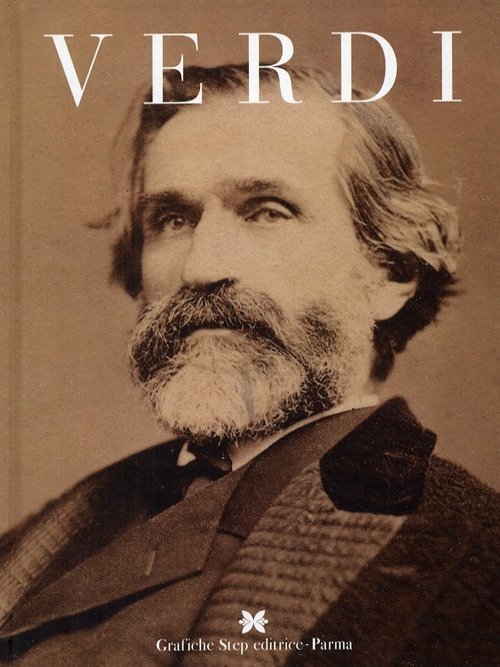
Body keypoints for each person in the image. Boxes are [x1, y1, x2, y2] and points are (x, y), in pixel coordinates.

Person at [0, 65, 497, 665]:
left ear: (391, 272)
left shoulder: (467, 559)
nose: (201, 268)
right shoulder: (44, 537)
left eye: (267, 212)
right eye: (173, 220)